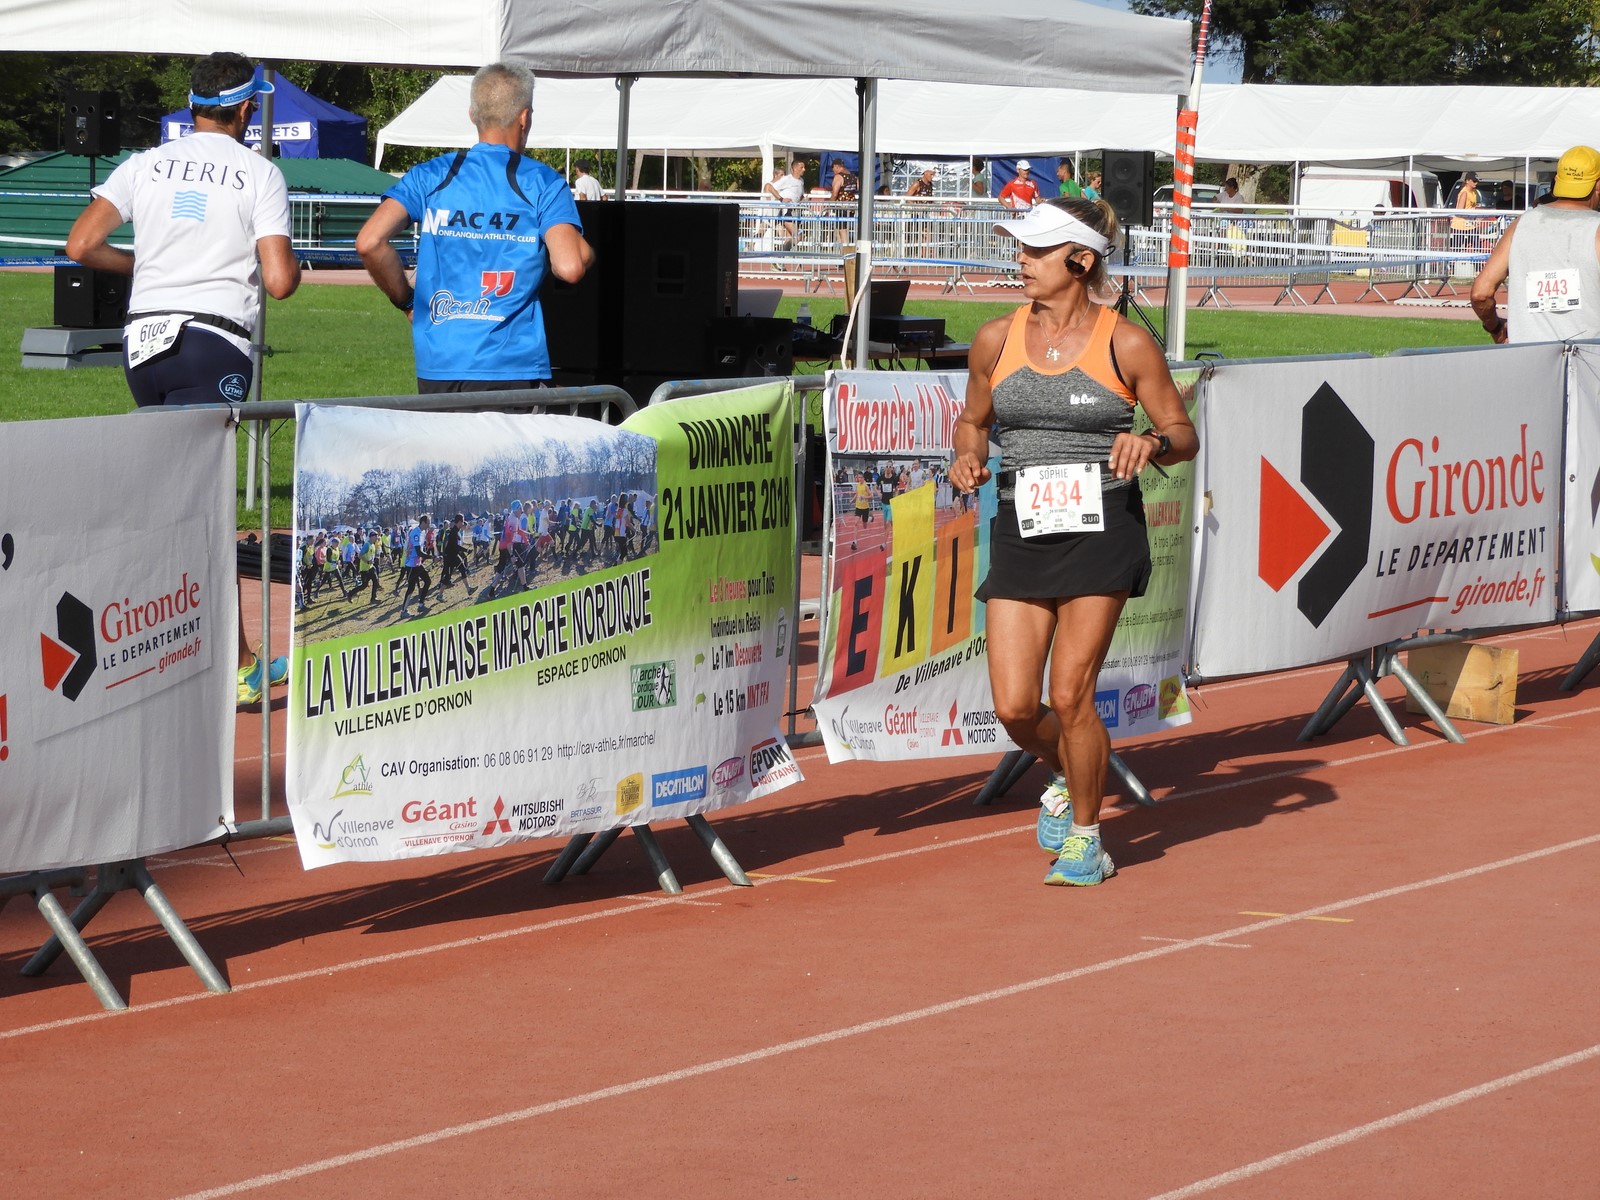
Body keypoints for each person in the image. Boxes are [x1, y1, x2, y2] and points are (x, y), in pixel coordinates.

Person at [948, 197, 1197, 887]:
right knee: (1013, 707)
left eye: (1037, 251)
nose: (1021, 261)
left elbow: (1182, 433)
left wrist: (1150, 443)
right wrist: (967, 456)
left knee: (1070, 694)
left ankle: (1088, 840)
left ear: (1081, 260)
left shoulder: (1126, 343)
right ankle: (1071, 771)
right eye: (1021, 249)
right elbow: (974, 421)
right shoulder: (995, 339)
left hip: (1101, 529)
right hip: (1022, 528)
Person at [65, 51, 300, 705]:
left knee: (174, 504)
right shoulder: (260, 172)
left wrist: (142, 267)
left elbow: (80, 245)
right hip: (212, 343)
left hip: (142, 345)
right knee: (204, 509)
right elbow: (280, 281)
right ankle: (224, 665)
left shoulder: (145, 163)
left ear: (192, 105)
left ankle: (196, 656)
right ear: (247, 109)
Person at [356, 61, 594, 393]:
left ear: (472, 114)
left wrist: (407, 303)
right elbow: (569, 266)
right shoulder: (542, 182)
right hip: (512, 366)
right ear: (525, 118)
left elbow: (369, 242)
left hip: (439, 364)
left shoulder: (431, 174)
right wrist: (587, 252)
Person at [1471, 145, 1600, 344]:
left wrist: (1496, 328)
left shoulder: (1520, 224)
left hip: (1526, 356)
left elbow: (1481, 293)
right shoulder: (1596, 229)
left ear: (1558, 180)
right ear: (1597, 185)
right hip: (1588, 357)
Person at [764, 159, 806, 248]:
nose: (804, 169)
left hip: (796, 211)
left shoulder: (801, 180)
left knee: (789, 238)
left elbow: (799, 196)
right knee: (799, 236)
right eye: (801, 167)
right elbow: (770, 187)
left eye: (804, 167)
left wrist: (804, 199)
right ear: (795, 168)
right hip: (787, 212)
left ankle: (781, 255)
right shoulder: (787, 179)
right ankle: (781, 253)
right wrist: (781, 199)